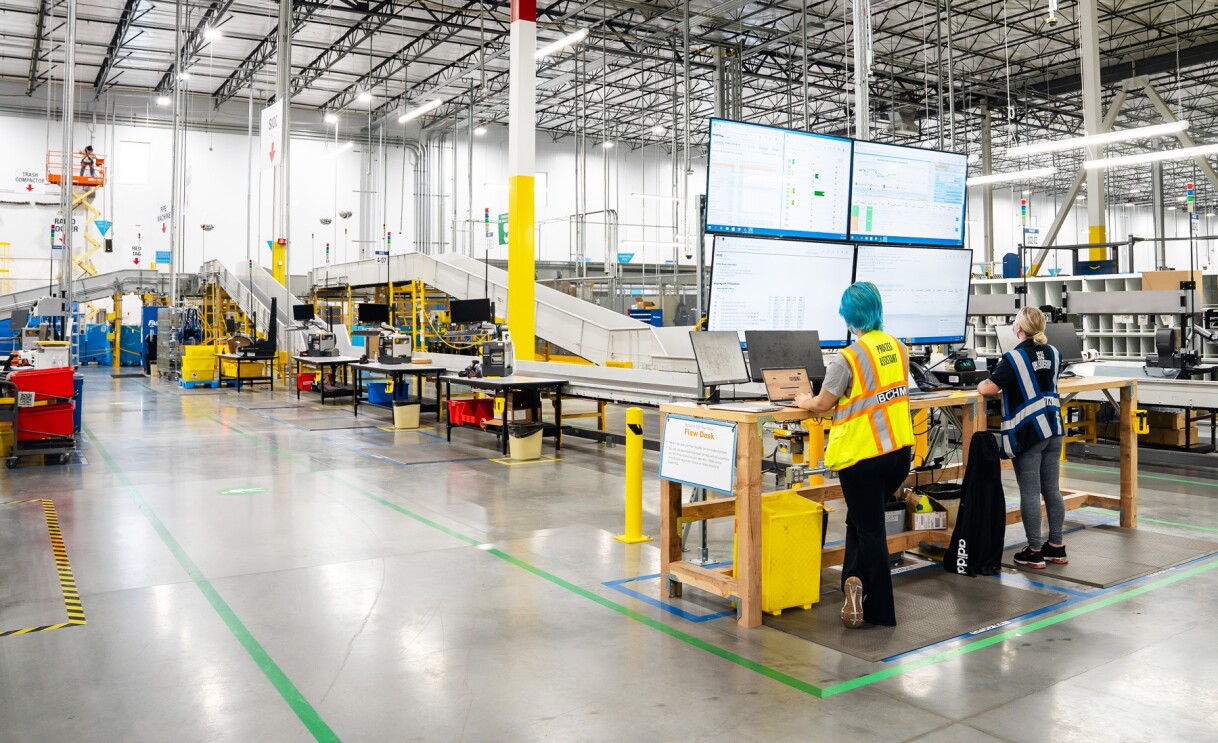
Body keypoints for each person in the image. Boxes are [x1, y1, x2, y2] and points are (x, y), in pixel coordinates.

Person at [793, 282, 915, 629]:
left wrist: (804, 401)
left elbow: (821, 404)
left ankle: (881, 611)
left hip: (863, 458)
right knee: (859, 523)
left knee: (871, 530)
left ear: (848, 316)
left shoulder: (845, 359)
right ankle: (853, 585)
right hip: (897, 453)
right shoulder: (898, 347)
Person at [977, 306, 1067, 569]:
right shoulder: (1054, 353)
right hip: (1053, 428)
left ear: (1019, 329)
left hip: (1030, 432)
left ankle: (1035, 551)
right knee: (1051, 489)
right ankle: (1056, 546)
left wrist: (982, 383)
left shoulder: (1013, 359)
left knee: (1030, 491)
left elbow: (989, 387)